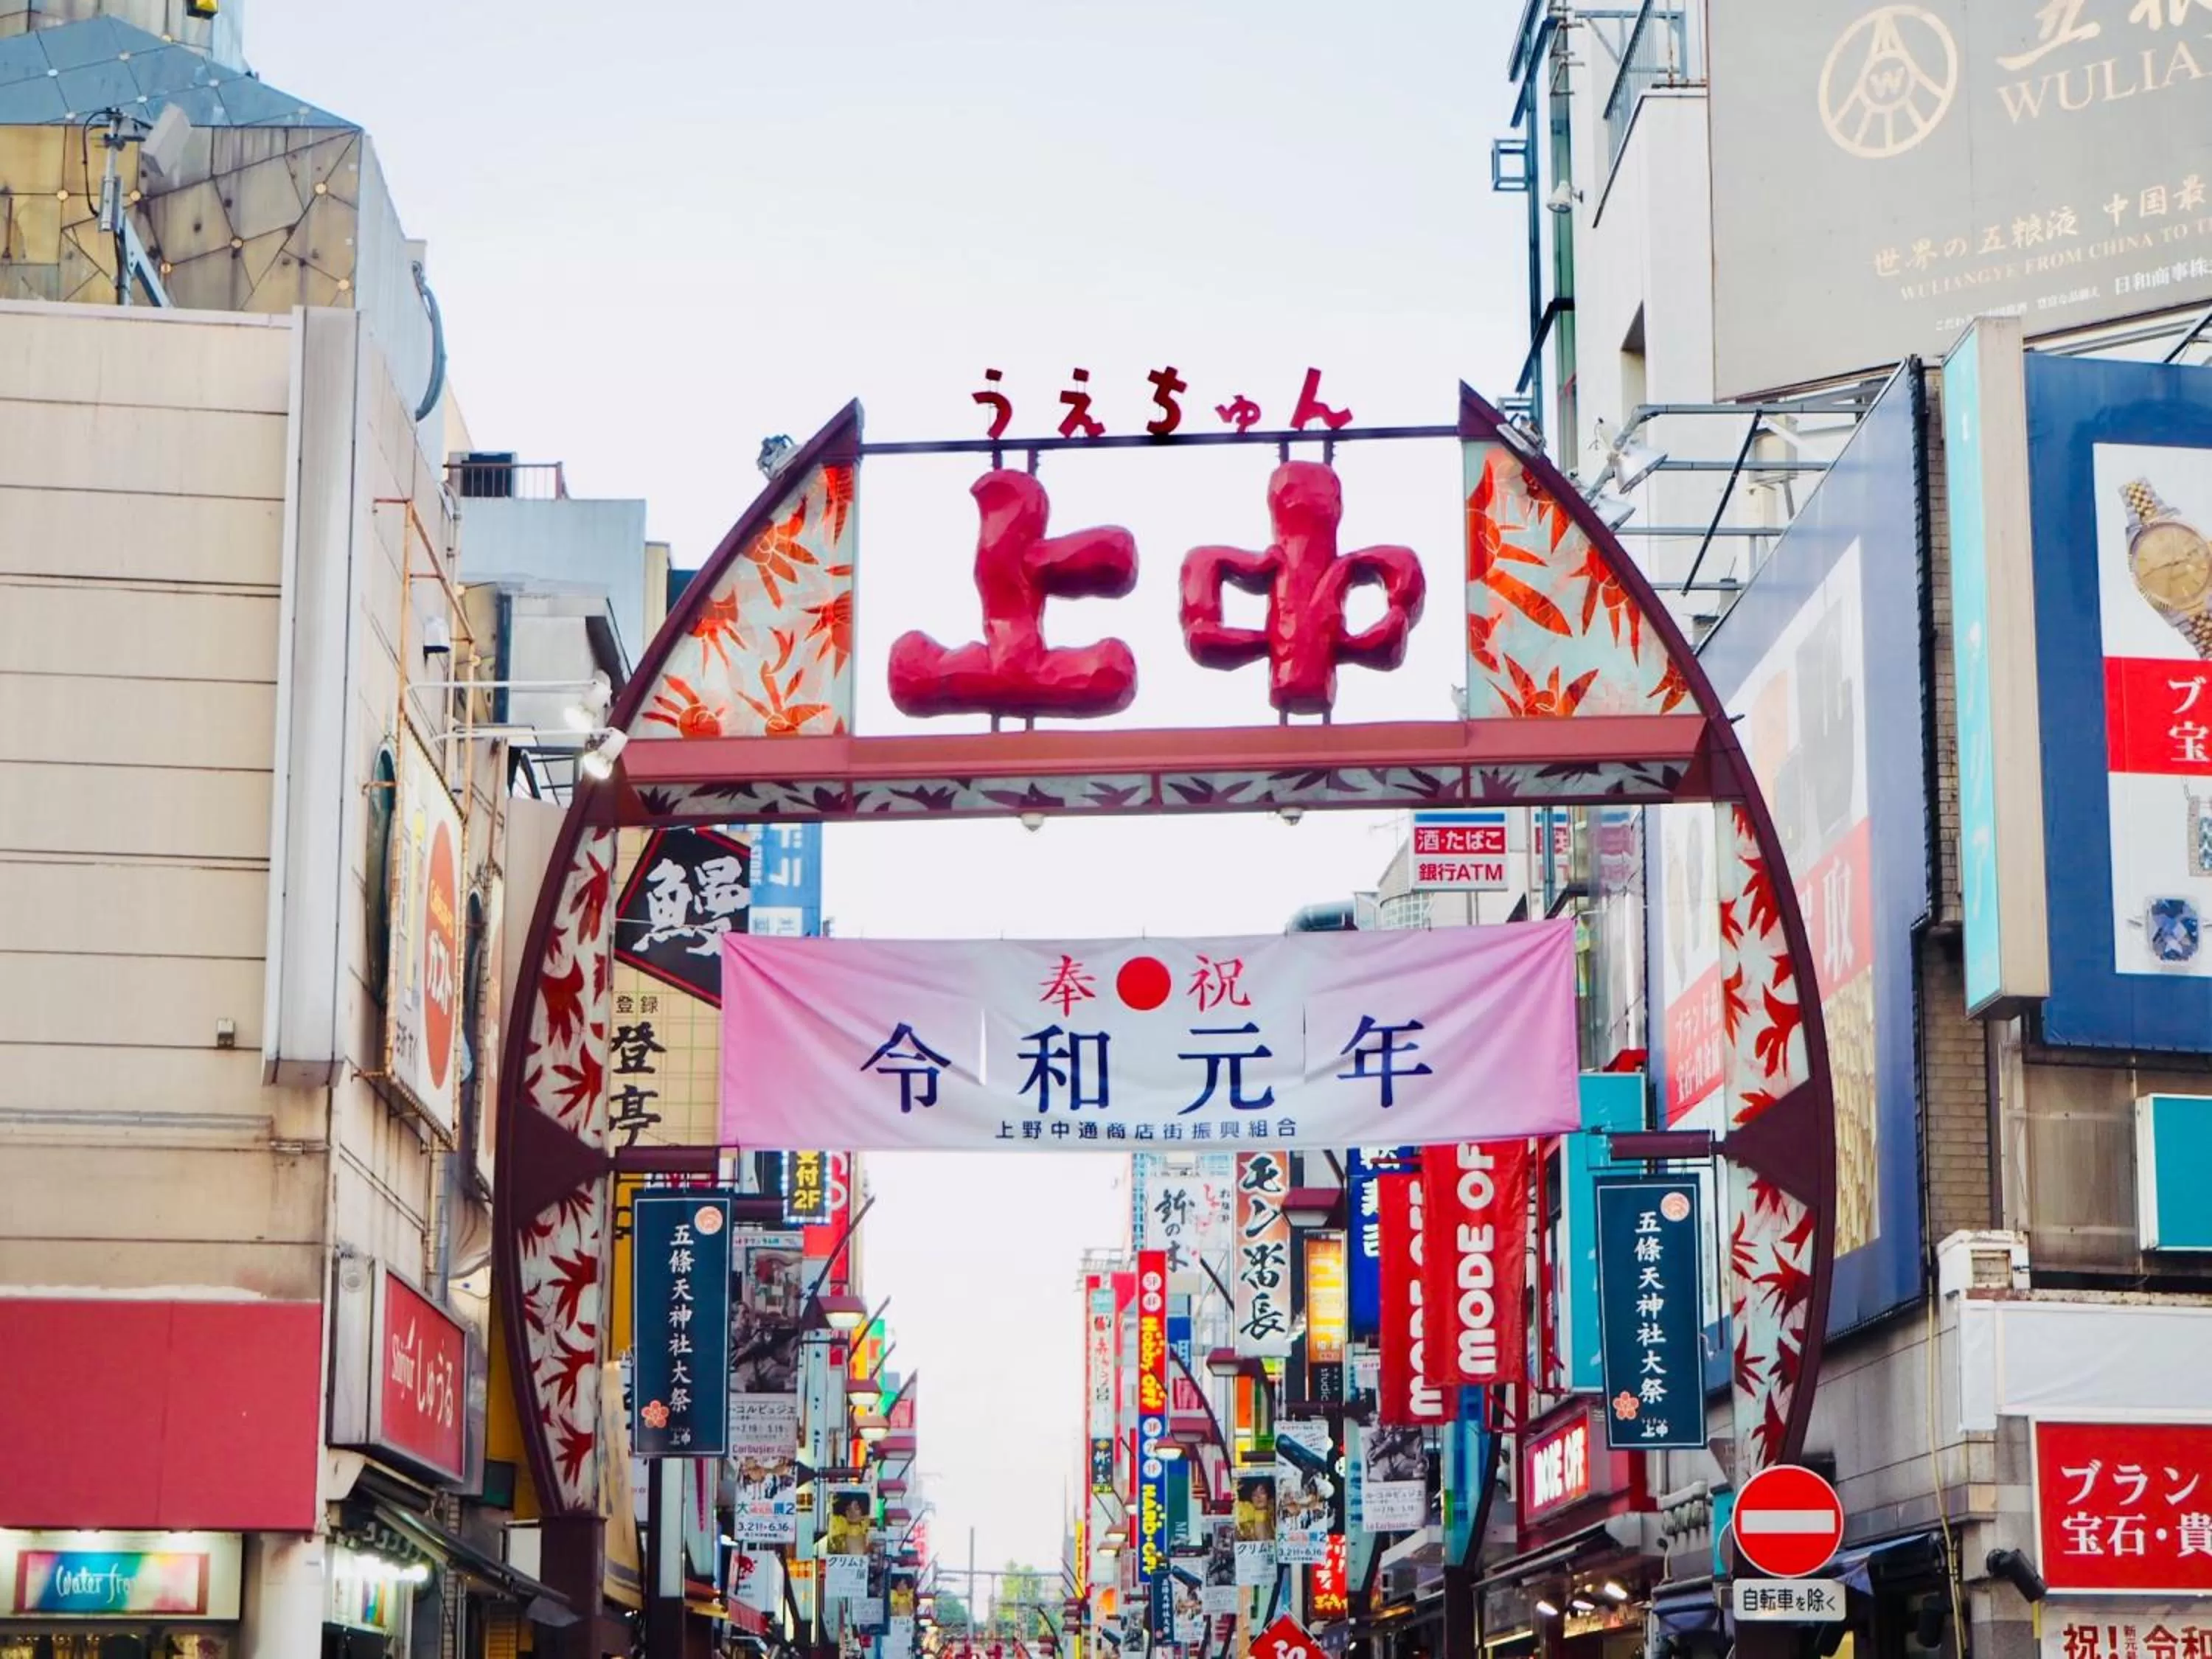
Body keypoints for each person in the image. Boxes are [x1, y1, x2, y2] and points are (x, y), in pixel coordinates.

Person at [1235, 1476, 1276, 1541]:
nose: (1258, 1497)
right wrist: (1259, 1512)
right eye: (1254, 1494)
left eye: (1262, 1492)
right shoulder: (1243, 1510)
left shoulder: (1275, 1508)